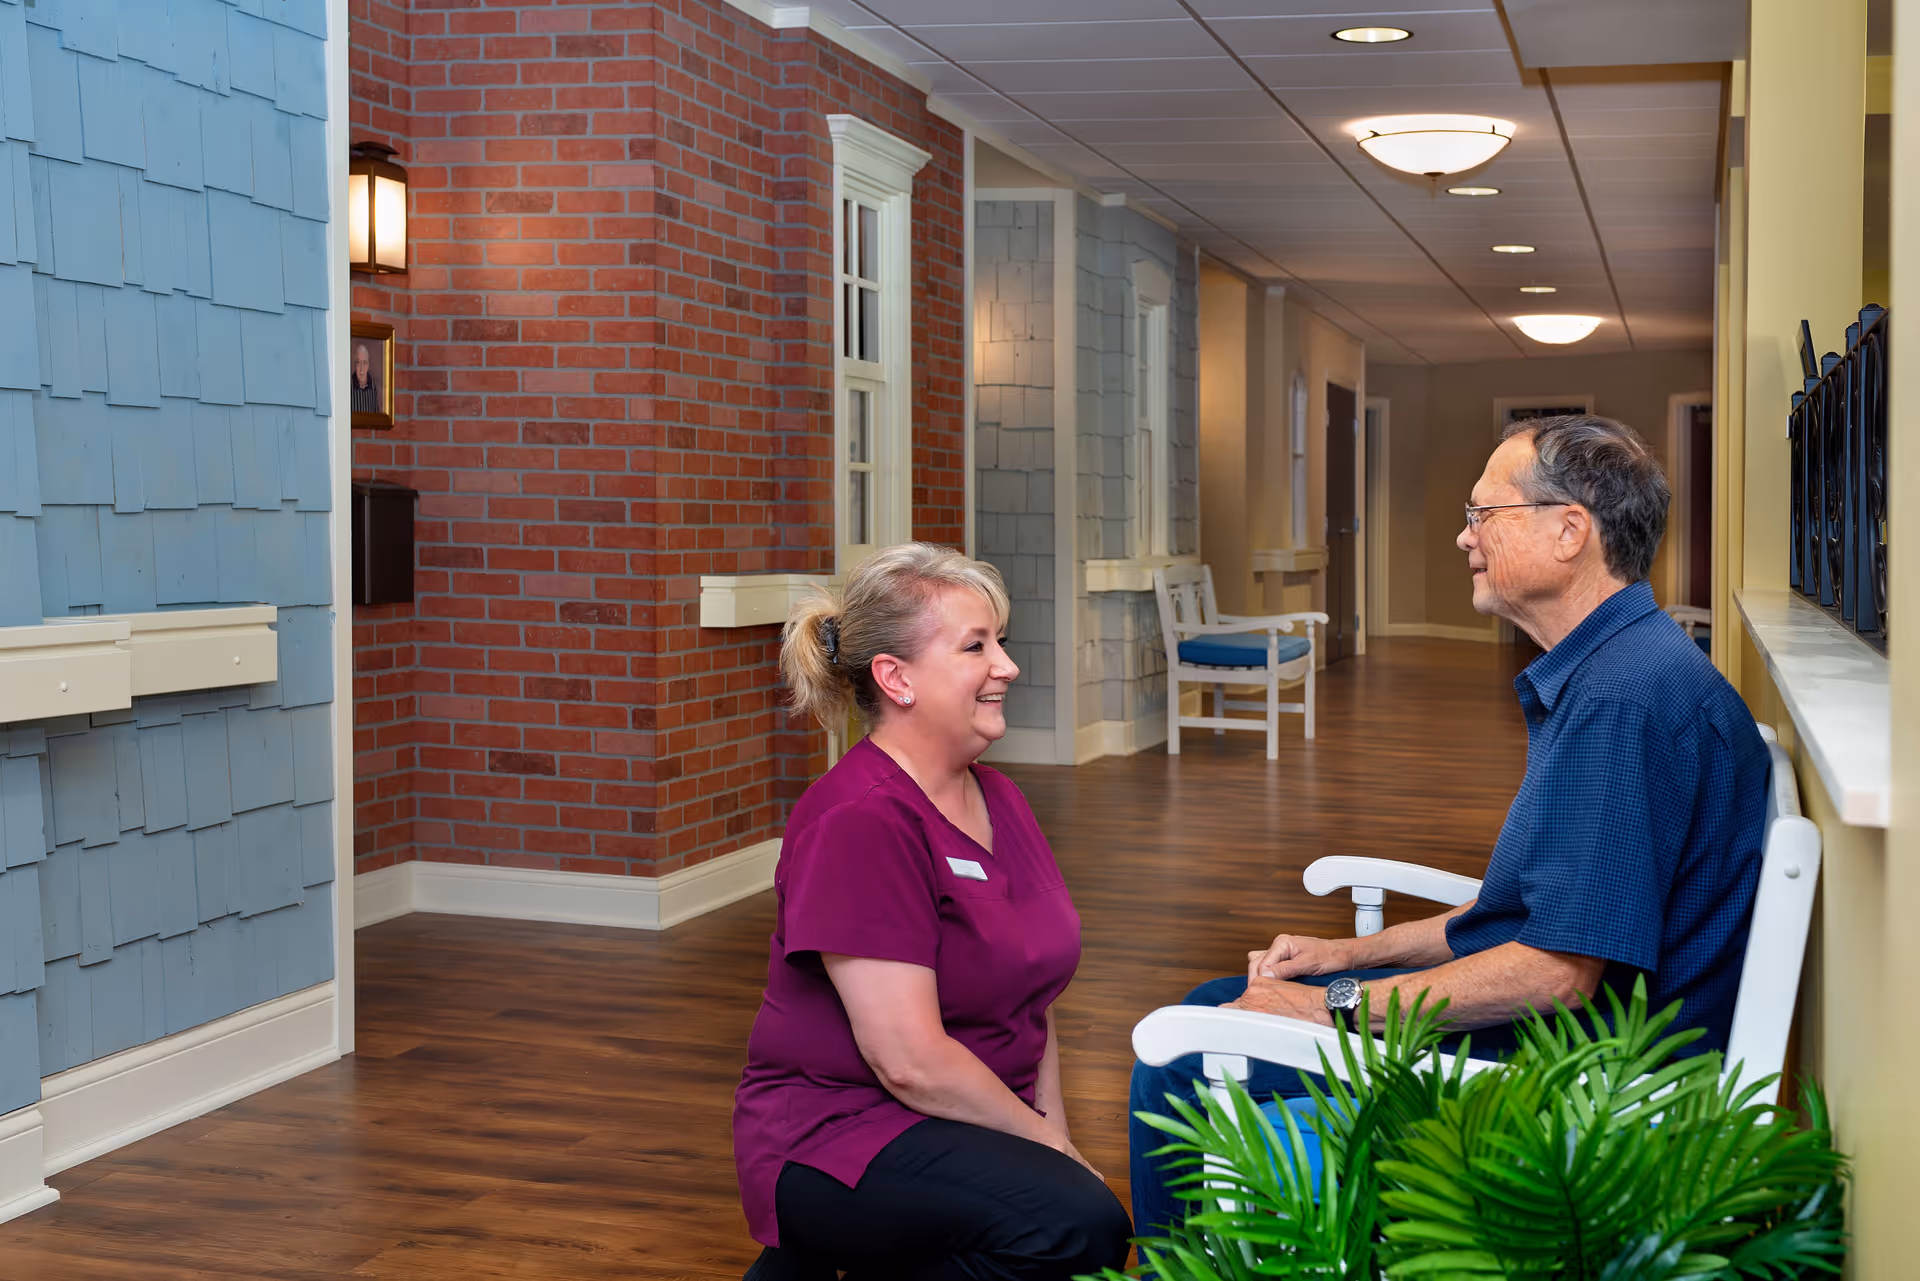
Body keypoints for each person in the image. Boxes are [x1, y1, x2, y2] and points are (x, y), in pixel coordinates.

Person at [1128, 414, 1770, 1236]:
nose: (1464, 538)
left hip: (1567, 1075)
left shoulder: (1620, 700)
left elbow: (1553, 973)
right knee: (1226, 1001)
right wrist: (1349, 954)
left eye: (1482, 515)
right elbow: (1530, 916)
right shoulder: (1626, 666)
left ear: (1570, 529)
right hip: (1566, 1039)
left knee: (1180, 1051)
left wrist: (1337, 1006)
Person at [734, 543, 1131, 1281]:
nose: (1006, 665)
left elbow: (1031, 997)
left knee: (1071, 1215)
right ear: (897, 678)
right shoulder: (858, 818)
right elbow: (908, 1060)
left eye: (1000, 642)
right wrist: (1052, 1155)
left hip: (961, 1115)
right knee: (1081, 1227)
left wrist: (1056, 1139)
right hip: (842, 1129)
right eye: (976, 646)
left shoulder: (999, 798)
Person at [350, 342, 382, 414]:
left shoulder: (373, 391)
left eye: (364, 363)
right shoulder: (348, 391)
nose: (362, 368)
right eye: (358, 363)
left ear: (368, 366)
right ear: (355, 366)